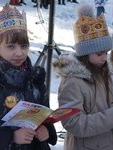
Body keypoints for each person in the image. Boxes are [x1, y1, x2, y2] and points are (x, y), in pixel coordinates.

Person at [0, 4, 57, 150]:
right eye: (11, 46)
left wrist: (45, 129)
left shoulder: (35, 79)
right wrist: (10, 137)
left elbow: (45, 115)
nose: (19, 53)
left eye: (24, 46)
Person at [53, 4, 113, 150]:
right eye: (99, 54)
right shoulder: (73, 81)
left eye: (106, 53)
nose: (104, 58)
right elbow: (73, 123)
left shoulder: (105, 73)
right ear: (85, 54)